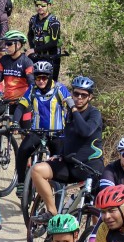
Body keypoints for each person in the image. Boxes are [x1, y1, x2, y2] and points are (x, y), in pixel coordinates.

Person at [30, 76, 105, 219]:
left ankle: (94, 238)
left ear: (90, 97)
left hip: (91, 167)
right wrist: (60, 154)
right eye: (76, 94)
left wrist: (73, 108)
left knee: (96, 210)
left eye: (84, 95)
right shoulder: (70, 113)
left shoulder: (94, 114)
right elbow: (68, 137)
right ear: (72, 93)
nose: (79, 98)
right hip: (70, 165)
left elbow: (85, 131)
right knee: (37, 170)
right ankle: (52, 212)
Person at [15, 60, 69, 194]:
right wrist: (15, 122)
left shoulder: (60, 89)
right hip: (37, 132)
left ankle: (59, 192)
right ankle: (21, 182)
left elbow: (71, 109)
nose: (40, 81)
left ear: (50, 76)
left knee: (59, 163)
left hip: (57, 134)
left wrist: (70, 127)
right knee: (22, 152)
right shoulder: (32, 89)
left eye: (44, 77)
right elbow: (21, 106)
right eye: (37, 77)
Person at [0, 29, 34, 138]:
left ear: (18, 45)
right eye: (5, 44)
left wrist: (28, 98)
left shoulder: (27, 62)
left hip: (22, 104)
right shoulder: (4, 60)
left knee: (26, 138)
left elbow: (31, 83)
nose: (6, 47)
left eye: (9, 44)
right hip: (6, 102)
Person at [27, 0, 62, 80]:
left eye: (43, 5)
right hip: (38, 54)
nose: (40, 7)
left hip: (51, 55)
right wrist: (32, 49)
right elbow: (30, 34)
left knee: (51, 81)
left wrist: (34, 50)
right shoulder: (33, 19)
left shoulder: (53, 21)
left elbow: (54, 43)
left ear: (49, 5)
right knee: (36, 79)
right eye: (37, 5)